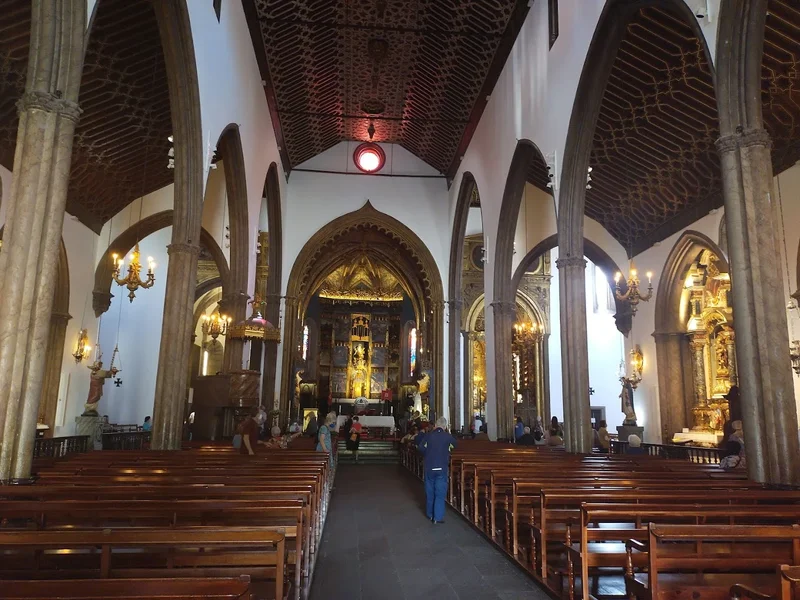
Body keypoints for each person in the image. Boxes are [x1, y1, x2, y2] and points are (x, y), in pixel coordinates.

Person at [416, 417, 457, 524]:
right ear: (445, 426)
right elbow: (454, 446)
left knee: (430, 492)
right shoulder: (448, 437)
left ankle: (430, 514)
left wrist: (428, 453)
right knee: (440, 493)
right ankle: (437, 517)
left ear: (435, 425)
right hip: (442, 468)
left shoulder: (428, 435)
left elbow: (420, 447)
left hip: (429, 467)